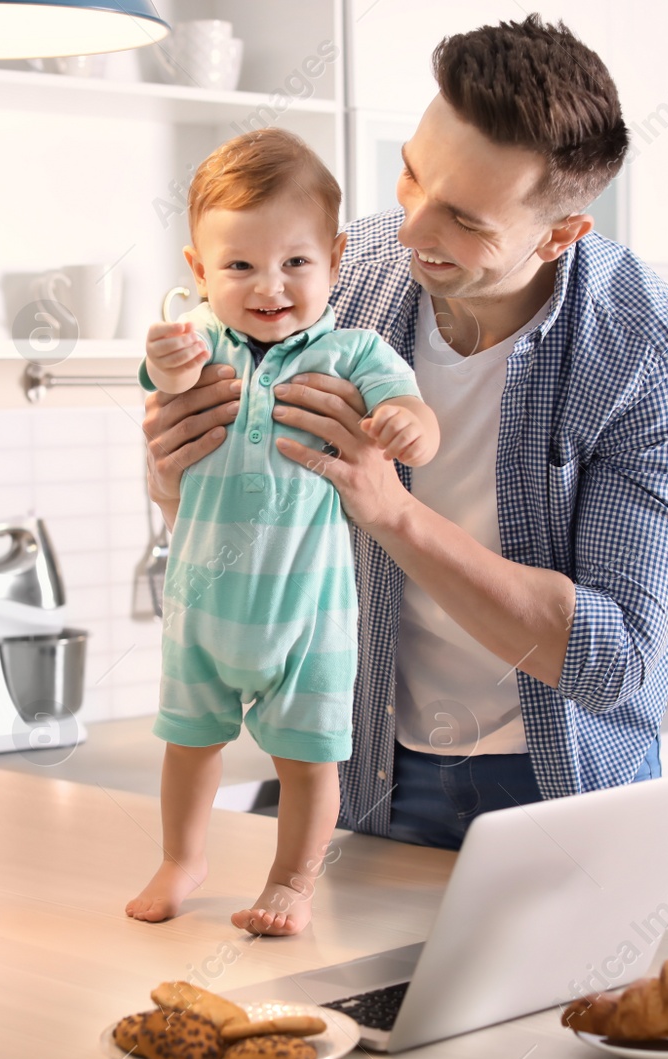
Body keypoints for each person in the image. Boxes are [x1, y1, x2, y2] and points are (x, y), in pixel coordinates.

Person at [140, 17, 668, 852]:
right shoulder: (350, 272)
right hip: (364, 764)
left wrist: (394, 513)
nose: (409, 230)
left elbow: (614, 659)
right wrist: (172, 475)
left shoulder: (649, 351)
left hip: (557, 789)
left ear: (559, 235)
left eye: (464, 219)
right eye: (411, 177)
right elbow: (238, 496)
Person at [125, 129, 441, 935]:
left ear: (335, 259)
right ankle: (181, 858)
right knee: (188, 745)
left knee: (310, 758)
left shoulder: (352, 350)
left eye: (296, 263)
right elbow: (163, 381)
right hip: (200, 604)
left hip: (310, 610)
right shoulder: (200, 341)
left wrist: (407, 425)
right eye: (239, 266)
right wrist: (165, 366)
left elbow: (413, 410)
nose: (270, 286)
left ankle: (294, 879)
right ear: (198, 271)